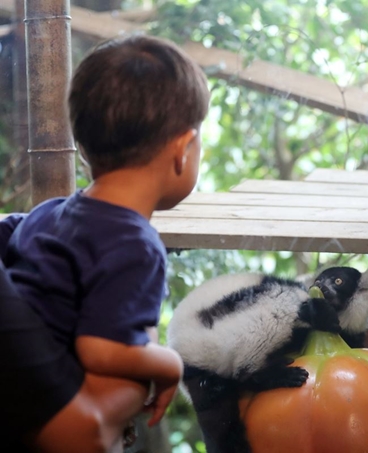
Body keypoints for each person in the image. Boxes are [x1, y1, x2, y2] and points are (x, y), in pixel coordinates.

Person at [0, 33, 210, 452]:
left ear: (82, 149)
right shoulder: (137, 245)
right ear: (183, 150)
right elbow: (100, 350)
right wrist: (170, 364)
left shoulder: (48, 213)